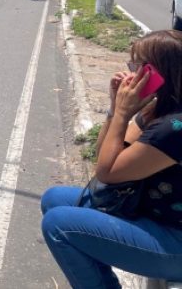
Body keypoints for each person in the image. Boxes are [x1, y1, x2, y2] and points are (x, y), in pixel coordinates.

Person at [41, 30, 182, 288]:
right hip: (152, 213)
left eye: (138, 66)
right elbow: (103, 155)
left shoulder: (174, 127)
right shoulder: (155, 109)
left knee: (58, 225)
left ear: (160, 73)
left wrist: (123, 114)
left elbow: (107, 172)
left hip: (175, 240)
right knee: (54, 198)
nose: (130, 72)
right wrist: (115, 109)